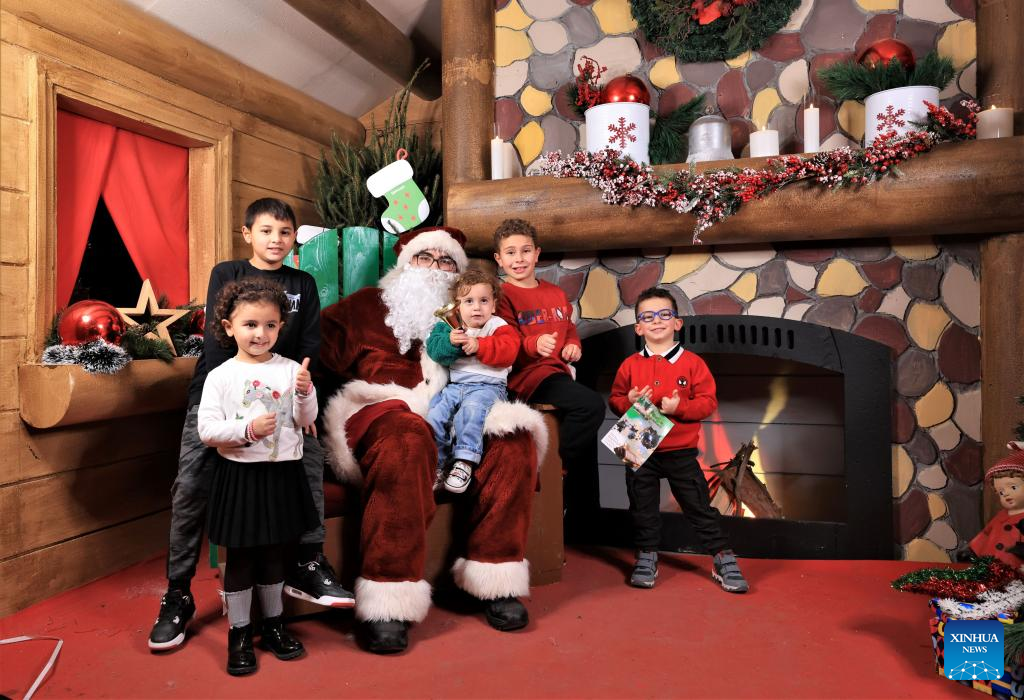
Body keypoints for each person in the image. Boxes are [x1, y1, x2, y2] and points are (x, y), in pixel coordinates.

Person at [318, 226, 546, 654]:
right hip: (384, 409)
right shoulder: (365, 306)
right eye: (426, 258)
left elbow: (511, 351)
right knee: (408, 438)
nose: (435, 268)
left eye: (447, 262)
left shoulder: (476, 311)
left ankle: (494, 576)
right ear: (406, 264)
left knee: (514, 435)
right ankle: (389, 597)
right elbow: (310, 350)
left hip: (462, 405)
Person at [148, 198, 352, 652]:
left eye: (285, 232)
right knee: (190, 486)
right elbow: (217, 344)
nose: (276, 239)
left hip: (282, 399)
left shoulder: (302, 283)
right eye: (266, 231)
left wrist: (301, 398)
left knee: (310, 460)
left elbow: (309, 346)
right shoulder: (228, 273)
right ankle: (178, 591)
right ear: (247, 234)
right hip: (220, 395)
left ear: (294, 237)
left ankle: (308, 562)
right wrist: (237, 417)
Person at [198, 278, 319, 675]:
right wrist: (248, 430)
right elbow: (207, 430)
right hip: (239, 477)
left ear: (281, 326)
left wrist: (305, 393)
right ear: (229, 327)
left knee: (274, 555)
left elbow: (306, 420)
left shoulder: (290, 370)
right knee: (242, 558)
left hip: (282, 474)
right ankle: (239, 632)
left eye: (269, 325)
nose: (260, 333)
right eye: (250, 324)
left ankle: (273, 625)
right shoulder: (221, 376)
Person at [608, 286, 749, 593]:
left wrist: (679, 408)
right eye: (648, 316)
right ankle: (647, 555)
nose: (656, 320)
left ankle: (722, 556)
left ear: (677, 323)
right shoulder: (630, 364)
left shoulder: (693, 363)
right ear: (638, 327)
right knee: (642, 507)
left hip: (680, 452)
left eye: (664, 314)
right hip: (638, 447)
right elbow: (615, 399)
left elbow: (708, 403)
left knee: (698, 506)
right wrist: (627, 401)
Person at [493, 219, 606, 531]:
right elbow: (502, 342)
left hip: (557, 373)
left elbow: (568, 329)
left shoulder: (555, 294)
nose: (519, 259)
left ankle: (581, 520)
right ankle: (556, 467)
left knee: (586, 425)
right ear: (499, 259)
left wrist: (573, 345)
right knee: (591, 406)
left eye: (525, 251)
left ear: (537, 253)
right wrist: (532, 344)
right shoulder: (501, 296)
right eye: (510, 253)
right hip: (527, 378)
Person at [425, 269, 519, 493]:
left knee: (472, 411)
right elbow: (434, 350)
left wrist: (480, 345)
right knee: (435, 416)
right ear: (457, 307)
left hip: (488, 387)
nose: (477, 307)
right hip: (455, 387)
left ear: (493, 305)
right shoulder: (448, 327)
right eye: (469, 301)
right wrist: (450, 342)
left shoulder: (498, 326)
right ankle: (438, 464)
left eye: (484, 301)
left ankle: (464, 461)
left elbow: (509, 351)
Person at [968, 448, 1024, 569]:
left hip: (1015, 568)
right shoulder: (1001, 515)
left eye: (1013, 487)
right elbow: (986, 533)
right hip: (991, 564)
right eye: (1001, 492)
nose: (1006, 494)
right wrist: (972, 551)